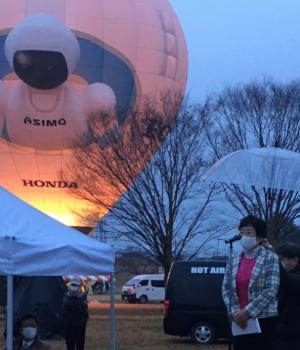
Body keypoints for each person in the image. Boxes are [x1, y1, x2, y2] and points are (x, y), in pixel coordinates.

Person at [222, 215, 280, 350]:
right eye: (241, 232)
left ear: (259, 237)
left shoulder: (271, 257)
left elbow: (271, 289)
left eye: (249, 232)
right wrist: (235, 312)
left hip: (263, 319)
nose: (244, 236)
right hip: (238, 320)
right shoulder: (234, 258)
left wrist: (247, 312)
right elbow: (226, 288)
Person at [275, 242, 300, 350]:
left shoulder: (295, 277)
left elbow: (288, 281)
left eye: (283, 259)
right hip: (279, 333)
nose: (280, 263)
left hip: (293, 336)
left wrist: (272, 256)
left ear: (295, 260)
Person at [62, 278, 89, 350]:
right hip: (70, 325)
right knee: (70, 344)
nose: (74, 287)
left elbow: (85, 311)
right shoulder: (66, 296)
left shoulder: (82, 296)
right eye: (73, 285)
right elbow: (63, 309)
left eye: (75, 285)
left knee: (80, 344)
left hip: (79, 325)